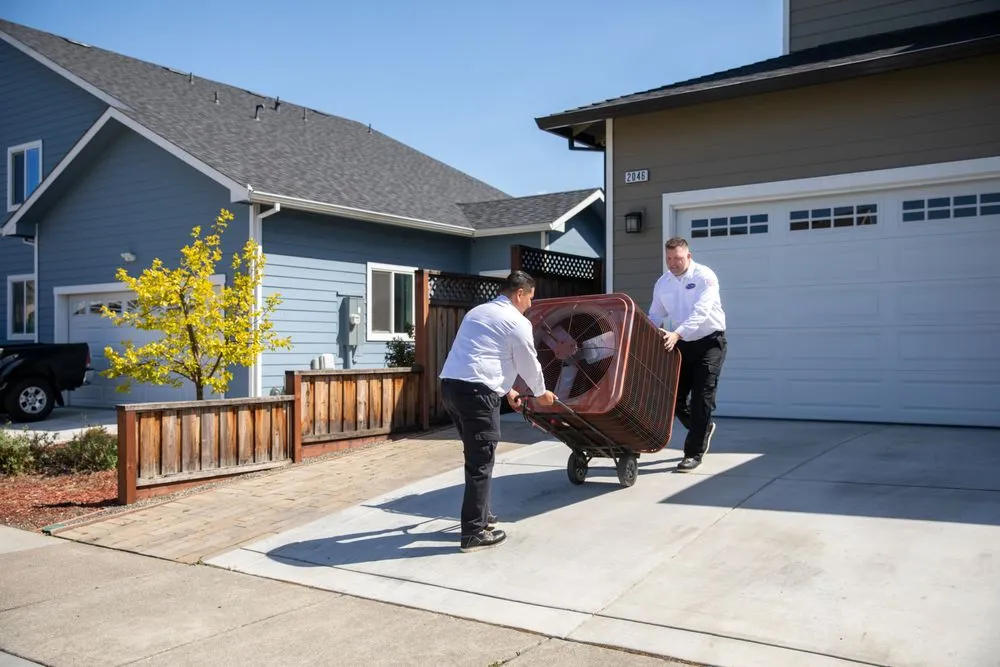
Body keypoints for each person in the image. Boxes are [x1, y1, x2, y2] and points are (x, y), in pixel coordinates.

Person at [439, 270, 557, 552]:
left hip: (451, 388)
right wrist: (540, 395)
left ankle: (479, 515)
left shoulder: (478, 313)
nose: (530, 305)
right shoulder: (516, 321)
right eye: (530, 299)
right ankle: (473, 533)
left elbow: (481, 357)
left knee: (475, 455)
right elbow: (528, 362)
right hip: (477, 396)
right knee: (481, 461)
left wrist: (509, 391)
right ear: (519, 294)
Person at [648, 237, 727, 472]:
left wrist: (677, 334)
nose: (673, 263)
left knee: (702, 397)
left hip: (709, 343)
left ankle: (693, 453)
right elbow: (654, 315)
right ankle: (702, 427)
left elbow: (701, 312)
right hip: (682, 344)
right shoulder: (663, 283)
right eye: (669, 259)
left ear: (688, 256)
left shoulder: (705, 277)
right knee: (674, 399)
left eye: (678, 258)